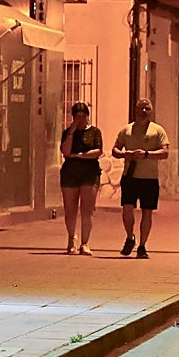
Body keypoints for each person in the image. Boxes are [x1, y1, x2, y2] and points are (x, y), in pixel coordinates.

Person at [112, 99, 169, 259]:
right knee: (127, 208)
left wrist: (146, 154)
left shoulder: (158, 131)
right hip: (130, 176)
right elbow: (115, 150)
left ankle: (143, 246)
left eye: (147, 108)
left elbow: (164, 152)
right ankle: (130, 237)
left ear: (151, 111)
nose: (144, 111)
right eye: (141, 108)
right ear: (135, 110)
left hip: (149, 178)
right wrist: (126, 154)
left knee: (147, 212)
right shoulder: (127, 130)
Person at [60, 102, 103, 255]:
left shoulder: (95, 132)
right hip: (70, 173)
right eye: (77, 116)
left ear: (87, 116)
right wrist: (72, 131)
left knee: (87, 209)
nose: (80, 119)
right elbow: (65, 150)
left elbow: (98, 151)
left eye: (83, 116)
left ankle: (85, 243)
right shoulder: (67, 133)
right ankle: (71, 239)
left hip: (89, 173)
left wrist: (79, 156)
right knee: (70, 209)